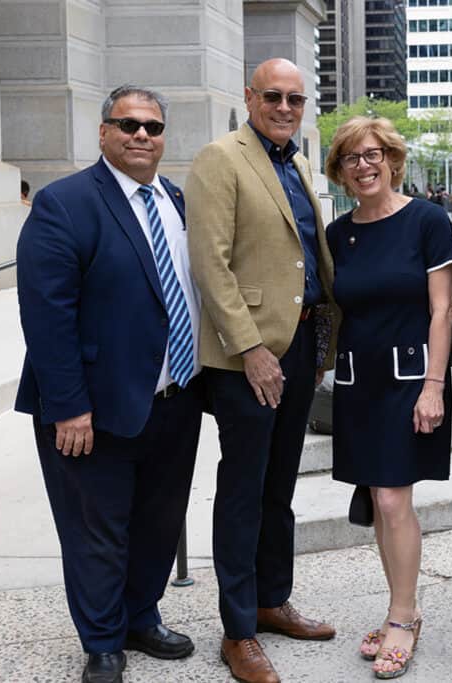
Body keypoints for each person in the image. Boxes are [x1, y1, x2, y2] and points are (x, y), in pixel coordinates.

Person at [15, 84, 203, 683]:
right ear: (103, 133)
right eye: (127, 125)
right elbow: (46, 315)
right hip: (91, 408)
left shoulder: (173, 199)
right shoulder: (64, 203)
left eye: (151, 127)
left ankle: (140, 617)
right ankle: (101, 641)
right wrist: (68, 407)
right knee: (96, 529)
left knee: (158, 519)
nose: (141, 136)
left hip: (174, 396)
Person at [185, 58, 337, 683]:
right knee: (244, 492)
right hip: (249, 359)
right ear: (249, 97)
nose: (283, 107)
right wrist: (250, 349)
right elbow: (210, 265)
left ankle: (274, 600)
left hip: (298, 350)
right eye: (272, 96)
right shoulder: (221, 158)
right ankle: (239, 630)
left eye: (295, 99)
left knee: (280, 488)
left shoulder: (295, 161)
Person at [323, 116, 452, 679]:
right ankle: (402, 604)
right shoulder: (337, 234)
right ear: (341, 171)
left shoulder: (426, 221)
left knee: (396, 500)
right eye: (352, 157)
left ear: (392, 159)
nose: (364, 165)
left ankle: (404, 617)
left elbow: (442, 310)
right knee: (379, 500)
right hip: (358, 382)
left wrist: (433, 387)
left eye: (373, 154)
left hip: (408, 382)